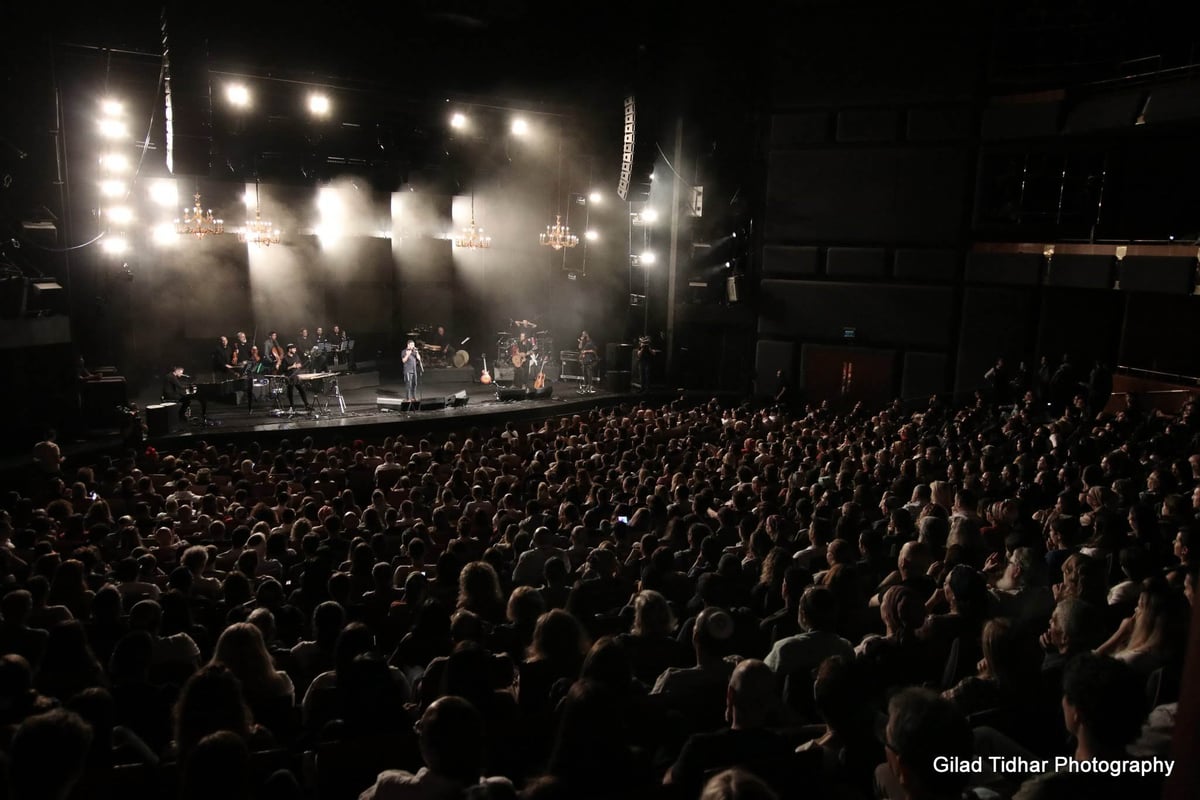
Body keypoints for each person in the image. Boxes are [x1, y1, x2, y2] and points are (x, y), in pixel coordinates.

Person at [281, 344, 309, 412]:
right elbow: (284, 369)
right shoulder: (285, 358)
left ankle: (306, 405)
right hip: (289, 377)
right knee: (290, 392)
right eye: (294, 349)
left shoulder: (296, 356)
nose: (295, 350)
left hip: (296, 376)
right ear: (289, 349)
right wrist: (292, 366)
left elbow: (300, 364)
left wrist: (299, 365)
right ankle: (292, 406)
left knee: (302, 390)